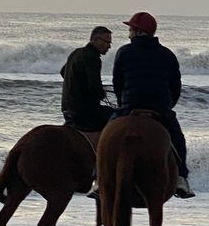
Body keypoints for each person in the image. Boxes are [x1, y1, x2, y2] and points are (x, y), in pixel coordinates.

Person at [111, 12, 195, 198]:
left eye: (131, 28)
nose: (129, 32)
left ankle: (99, 178)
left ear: (139, 31)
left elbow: (118, 82)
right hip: (160, 108)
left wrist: (122, 105)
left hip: (130, 105)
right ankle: (181, 178)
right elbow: (175, 87)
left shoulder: (124, 52)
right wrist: (167, 107)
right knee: (178, 140)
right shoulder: (167, 54)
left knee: (106, 134)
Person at [60, 26, 114, 136]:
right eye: (106, 42)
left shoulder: (76, 53)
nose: (108, 46)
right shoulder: (93, 58)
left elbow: (63, 72)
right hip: (85, 112)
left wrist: (78, 85)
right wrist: (102, 93)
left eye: (110, 43)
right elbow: (94, 87)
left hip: (67, 110)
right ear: (96, 40)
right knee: (116, 116)